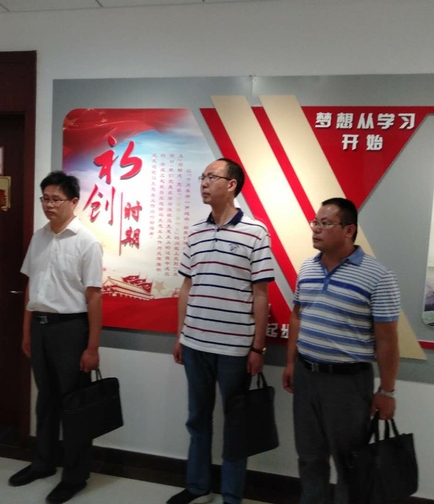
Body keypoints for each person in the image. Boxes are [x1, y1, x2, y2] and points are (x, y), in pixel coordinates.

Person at [168, 158, 274, 504]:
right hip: (195, 344)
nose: (203, 182)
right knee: (197, 419)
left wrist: (257, 348)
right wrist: (181, 336)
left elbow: (261, 293)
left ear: (231, 185)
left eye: (211, 177)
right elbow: (187, 287)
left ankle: (231, 496)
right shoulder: (196, 231)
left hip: (234, 350)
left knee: (235, 423)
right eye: (202, 177)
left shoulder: (255, 231)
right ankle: (198, 486)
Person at [281, 197, 401, 504]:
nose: (316, 229)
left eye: (325, 223)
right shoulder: (308, 267)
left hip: (347, 383)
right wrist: (291, 362)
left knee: (350, 462)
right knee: (309, 457)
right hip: (307, 375)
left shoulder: (378, 276)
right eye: (315, 223)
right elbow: (297, 316)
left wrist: (387, 391)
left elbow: (388, 340)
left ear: (349, 230)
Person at [9, 171, 103, 504]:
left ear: (73, 202)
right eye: (45, 199)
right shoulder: (39, 238)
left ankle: (75, 476)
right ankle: (43, 462)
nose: (48, 205)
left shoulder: (87, 242)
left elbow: (94, 296)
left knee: (74, 405)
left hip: (71, 329)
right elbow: (30, 287)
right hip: (40, 327)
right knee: (45, 399)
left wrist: (92, 346)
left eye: (55, 199)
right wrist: (26, 330)